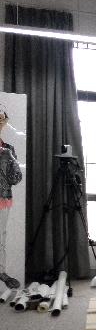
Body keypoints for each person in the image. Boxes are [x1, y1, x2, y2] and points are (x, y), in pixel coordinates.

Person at [0, 108, 22, 289]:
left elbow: (16, 178)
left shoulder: (9, 149)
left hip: (3, 197)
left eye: (2, 119)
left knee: (1, 235)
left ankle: (1, 271)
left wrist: (9, 158)